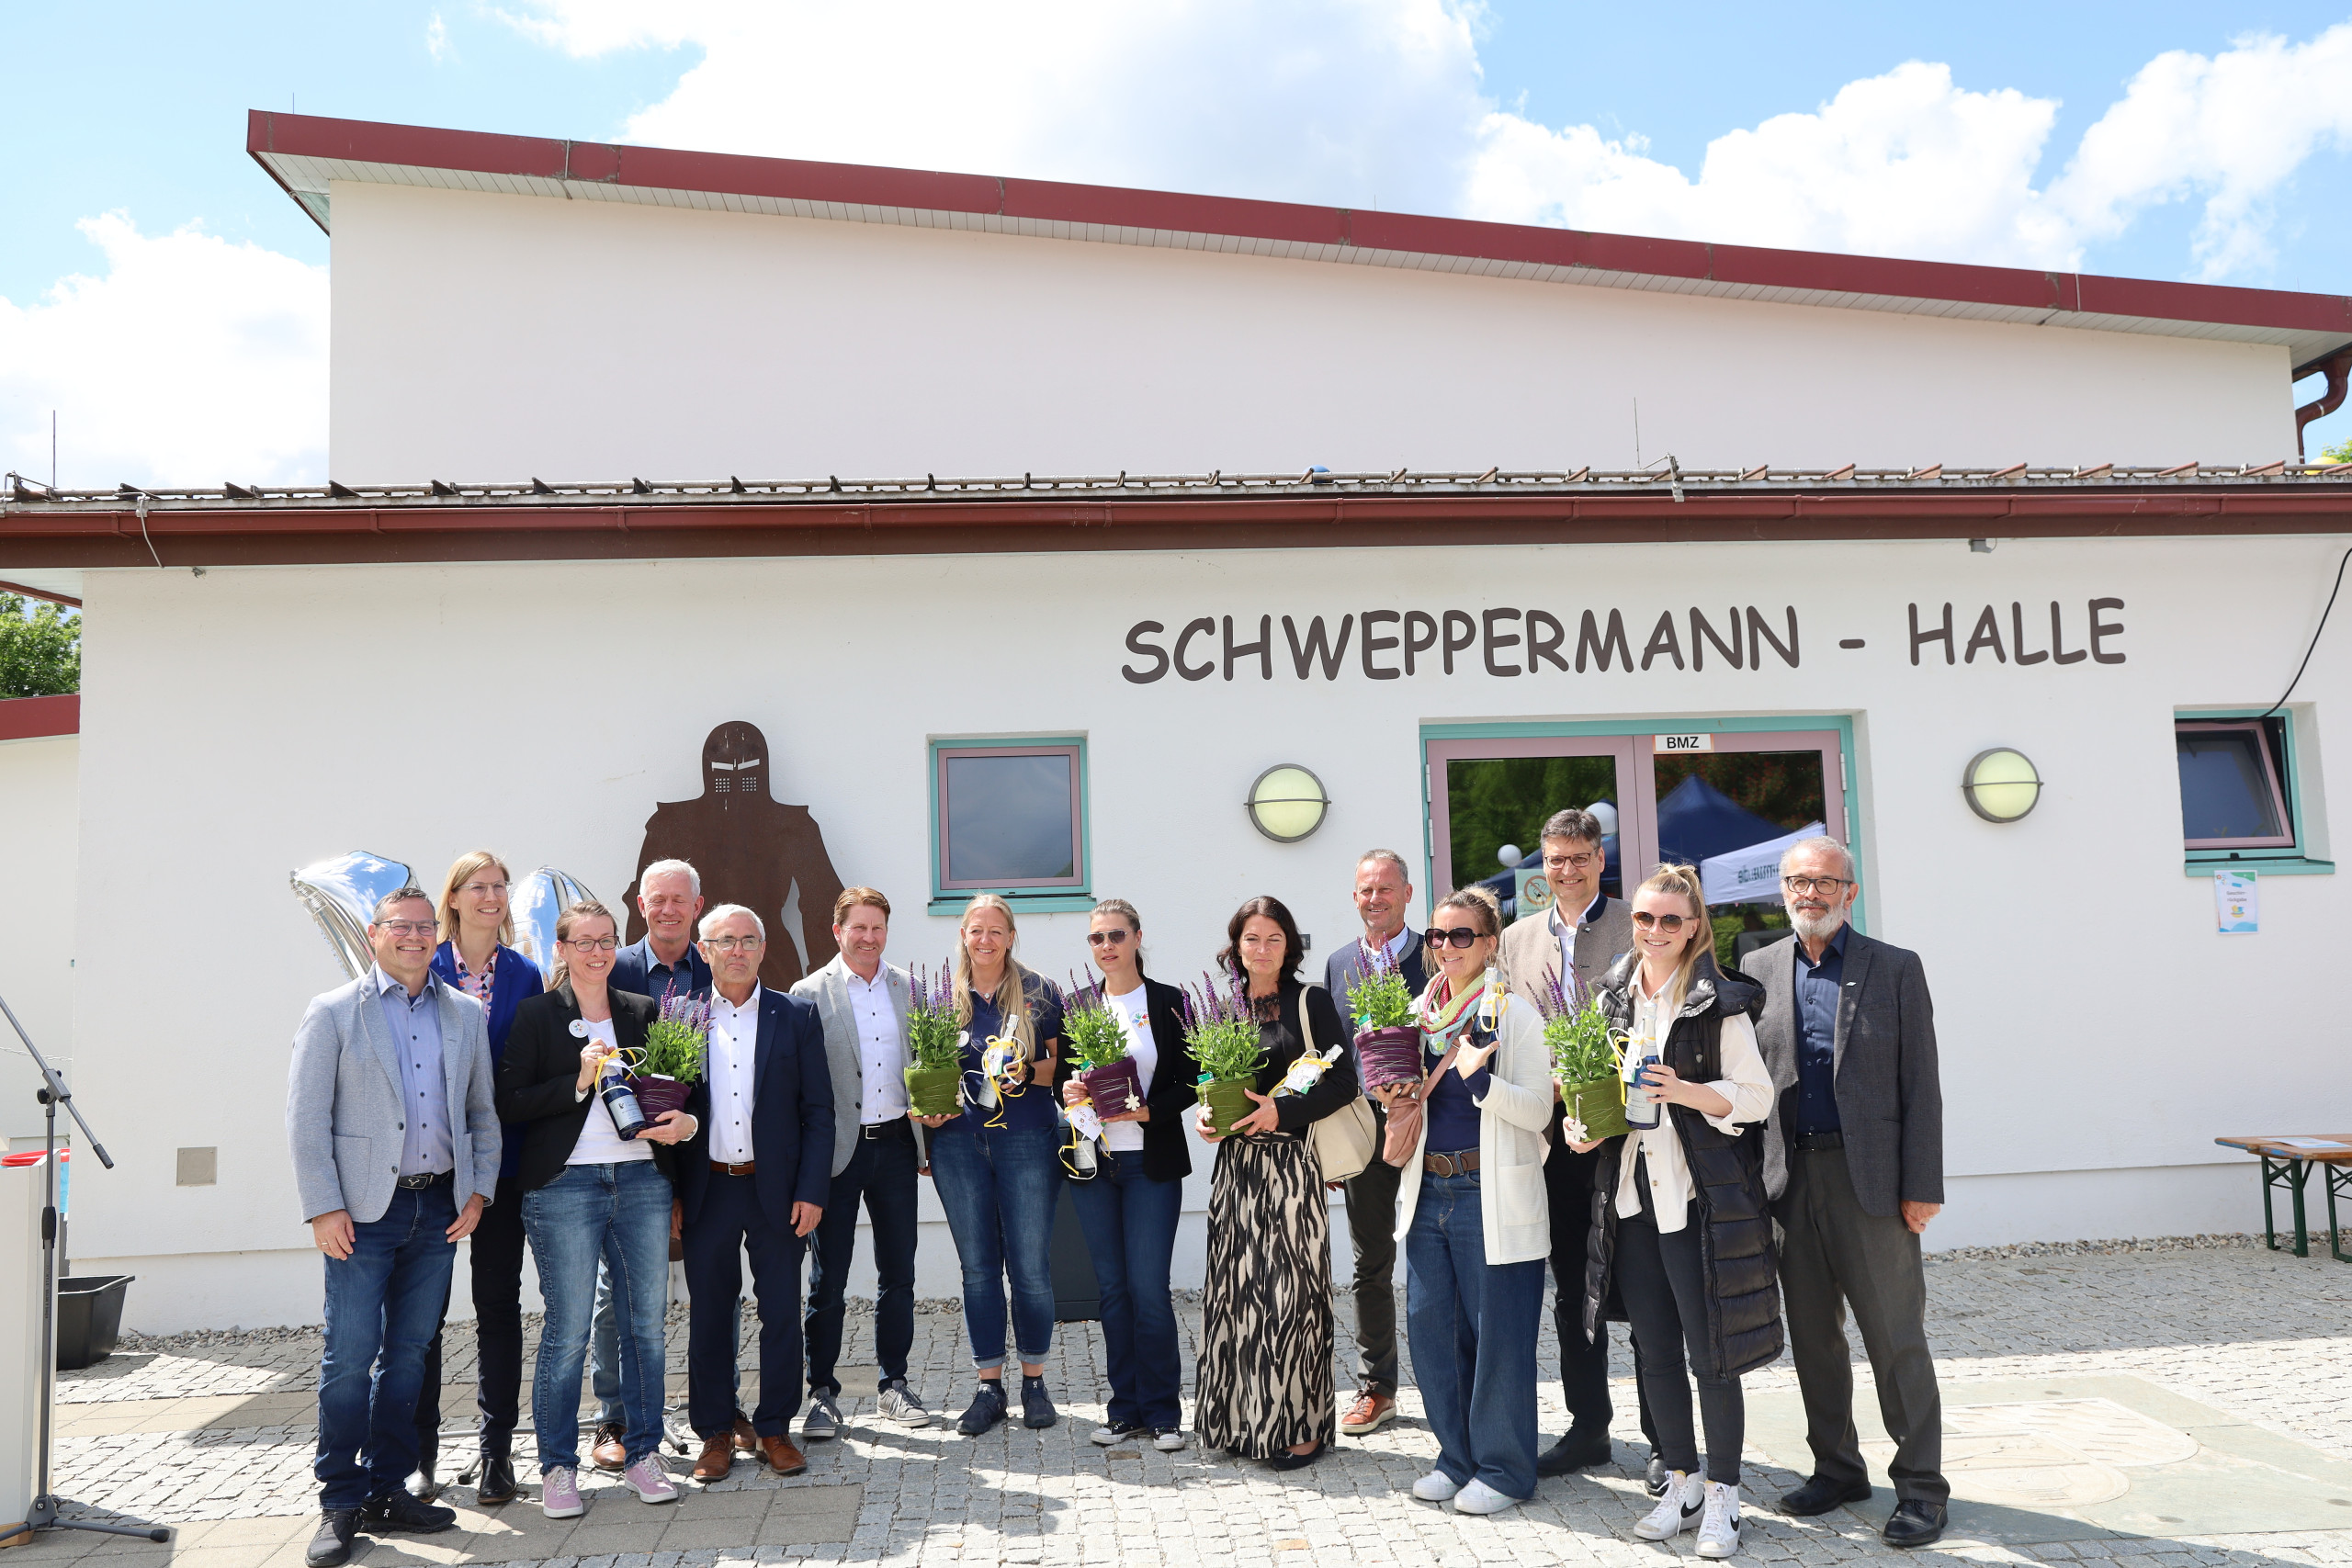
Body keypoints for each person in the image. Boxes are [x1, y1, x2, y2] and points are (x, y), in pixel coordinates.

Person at [1737, 837, 1950, 1547]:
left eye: (1826, 882)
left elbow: (1922, 1086)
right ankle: (1837, 1468)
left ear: (1849, 892)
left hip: (1875, 1186)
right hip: (1790, 1182)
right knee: (1814, 1340)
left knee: (1895, 1339)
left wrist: (1921, 1186)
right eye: (1799, 881)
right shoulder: (1758, 968)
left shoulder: (1893, 968)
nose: (1811, 893)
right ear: (1783, 890)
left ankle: (1921, 1486)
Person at [287, 887, 500, 1568]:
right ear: (374, 934)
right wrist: (323, 1206)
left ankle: (388, 1485)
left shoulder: (464, 1012)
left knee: (409, 1355)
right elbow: (305, 1118)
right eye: (399, 926)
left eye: (423, 926)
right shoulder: (333, 1012)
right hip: (360, 1213)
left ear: (438, 934)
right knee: (350, 1356)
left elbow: (481, 1114)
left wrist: (479, 1190)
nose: (413, 936)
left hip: (437, 1208)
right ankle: (340, 1498)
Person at [1576, 864, 1778, 1560]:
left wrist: (1685, 1091)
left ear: (1694, 926)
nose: (1655, 931)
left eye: (1670, 920)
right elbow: (1595, 1091)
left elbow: (1755, 1099)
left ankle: (1725, 1492)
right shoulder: (1611, 997)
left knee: (1712, 1353)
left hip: (1697, 1200)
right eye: (1644, 918)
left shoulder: (1716, 1002)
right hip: (1631, 1196)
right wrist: (1585, 1124)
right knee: (1655, 1351)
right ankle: (1683, 1480)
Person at [495, 900, 698, 1520]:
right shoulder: (536, 1016)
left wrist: (685, 1125)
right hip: (565, 1188)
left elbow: (682, 1085)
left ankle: (642, 1453)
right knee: (568, 1331)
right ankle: (558, 1465)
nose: (596, 951)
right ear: (560, 949)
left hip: (640, 1182)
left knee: (645, 1328)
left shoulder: (641, 1010)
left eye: (606, 940)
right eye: (582, 941)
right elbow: (510, 1101)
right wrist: (579, 1082)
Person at [1496, 807, 1658, 1483]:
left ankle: (1664, 1437)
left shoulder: (1637, 925)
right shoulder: (1515, 937)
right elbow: (1506, 1026)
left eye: (1578, 856)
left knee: (1649, 1290)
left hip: (1633, 1133)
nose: (1566, 869)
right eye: (1554, 858)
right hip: (1556, 1139)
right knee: (1571, 1289)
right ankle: (1589, 1425)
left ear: (1600, 857)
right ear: (1542, 862)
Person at [1377, 886, 1551, 1515]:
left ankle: (1505, 1469)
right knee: (1433, 1330)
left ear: (1490, 942)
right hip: (1427, 1190)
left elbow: (1539, 1109)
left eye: (1462, 936)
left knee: (1498, 1337)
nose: (1447, 946)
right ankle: (1457, 1458)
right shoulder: (1416, 1017)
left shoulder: (1515, 1014)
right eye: (1438, 936)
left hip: (1490, 1192)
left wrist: (1482, 1080)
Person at [1193, 896, 1359, 1472]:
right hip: (1236, 1170)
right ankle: (1242, 1422)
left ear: (1289, 947)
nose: (1261, 951)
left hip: (1292, 1168)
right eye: (1251, 940)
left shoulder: (1311, 1002)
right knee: (1238, 1296)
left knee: (1293, 1296)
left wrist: (1281, 1113)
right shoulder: (1224, 1007)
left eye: (1273, 940)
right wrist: (1207, 1115)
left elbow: (1343, 1084)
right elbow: (1210, 1076)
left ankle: (1301, 1427)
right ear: (1236, 947)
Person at [673, 905, 836, 1481]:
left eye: (748, 939)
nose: (737, 950)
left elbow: (819, 1112)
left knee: (781, 1315)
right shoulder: (681, 1017)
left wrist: (812, 1191)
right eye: (725, 941)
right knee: (710, 1315)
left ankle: (774, 1428)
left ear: (763, 948)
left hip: (778, 1192)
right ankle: (715, 1431)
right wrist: (672, 1194)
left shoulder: (796, 1016)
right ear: (705, 948)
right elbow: (666, 1108)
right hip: (707, 1189)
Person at [412, 851, 545, 1507]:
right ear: (454, 898)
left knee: (497, 1307)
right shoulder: (422, 962)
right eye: (478, 886)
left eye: (499, 886)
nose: (491, 896)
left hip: (506, 1165)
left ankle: (497, 1452)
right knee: (424, 1316)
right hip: (434, 1166)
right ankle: (421, 1455)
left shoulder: (526, 972)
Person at [923, 894, 1068, 1436]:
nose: (985, 940)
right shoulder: (941, 996)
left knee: (1029, 1266)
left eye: (995, 931)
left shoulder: (1038, 991)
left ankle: (1034, 1381)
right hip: (959, 1145)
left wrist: (1026, 1073)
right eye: (975, 931)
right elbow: (928, 1068)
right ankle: (988, 1386)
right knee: (978, 1268)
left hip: (1027, 1139)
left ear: (1011, 936)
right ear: (963, 935)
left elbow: (1059, 1064)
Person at [789, 888, 932, 1439]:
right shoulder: (807, 994)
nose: (869, 938)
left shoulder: (907, 988)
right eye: (859, 928)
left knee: (899, 1272)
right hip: (837, 1152)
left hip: (897, 1144)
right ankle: (821, 1392)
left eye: (878, 928)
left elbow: (923, 1064)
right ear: (837, 931)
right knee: (829, 1277)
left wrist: (926, 1139)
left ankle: (892, 1384)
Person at [1059, 899, 1197, 1451]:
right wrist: (1066, 1094)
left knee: (1148, 1290)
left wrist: (1148, 1112)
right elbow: (1063, 1085)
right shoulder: (1077, 1006)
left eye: (1116, 935)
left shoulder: (1169, 1003)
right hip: (1094, 1166)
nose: (1106, 946)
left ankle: (1164, 1412)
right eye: (1096, 938)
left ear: (1138, 937)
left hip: (1150, 1165)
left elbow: (1192, 1079)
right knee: (1113, 1292)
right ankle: (1126, 1410)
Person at [593, 856, 711, 1469]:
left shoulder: (716, 969)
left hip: (702, 1149)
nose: (667, 909)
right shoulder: (613, 969)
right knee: (620, 1291)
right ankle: (615, 1417)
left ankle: (712, 1412)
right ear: (641, 904)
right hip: (630, 1158)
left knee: (711, 1286)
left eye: (678, 899)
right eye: (656, 899)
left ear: (697, 904)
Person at [1321, 850, 1426, 1439]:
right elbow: (1338, 1060)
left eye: (1386, 888)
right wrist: (1336, 1142)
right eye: (1365, 890)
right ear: (1354, 896)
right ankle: (1377, 1387)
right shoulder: (1340, 963)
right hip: (1364, 1136)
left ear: (1408, 894)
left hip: (1430, 1128)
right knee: (1371, 1265)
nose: (1375, 898)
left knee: (1444, 1260)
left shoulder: (1434, 954)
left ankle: (1453, 1383)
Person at [621, 720, 845, 990]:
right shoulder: (672, 823)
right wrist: (640, 977)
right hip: (690, 961)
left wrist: (822, 983)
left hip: (768, 959)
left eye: (748, 769)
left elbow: (822, 906)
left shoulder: (791, 825)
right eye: (724, 769)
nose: (737, 777)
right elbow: (644, 905)